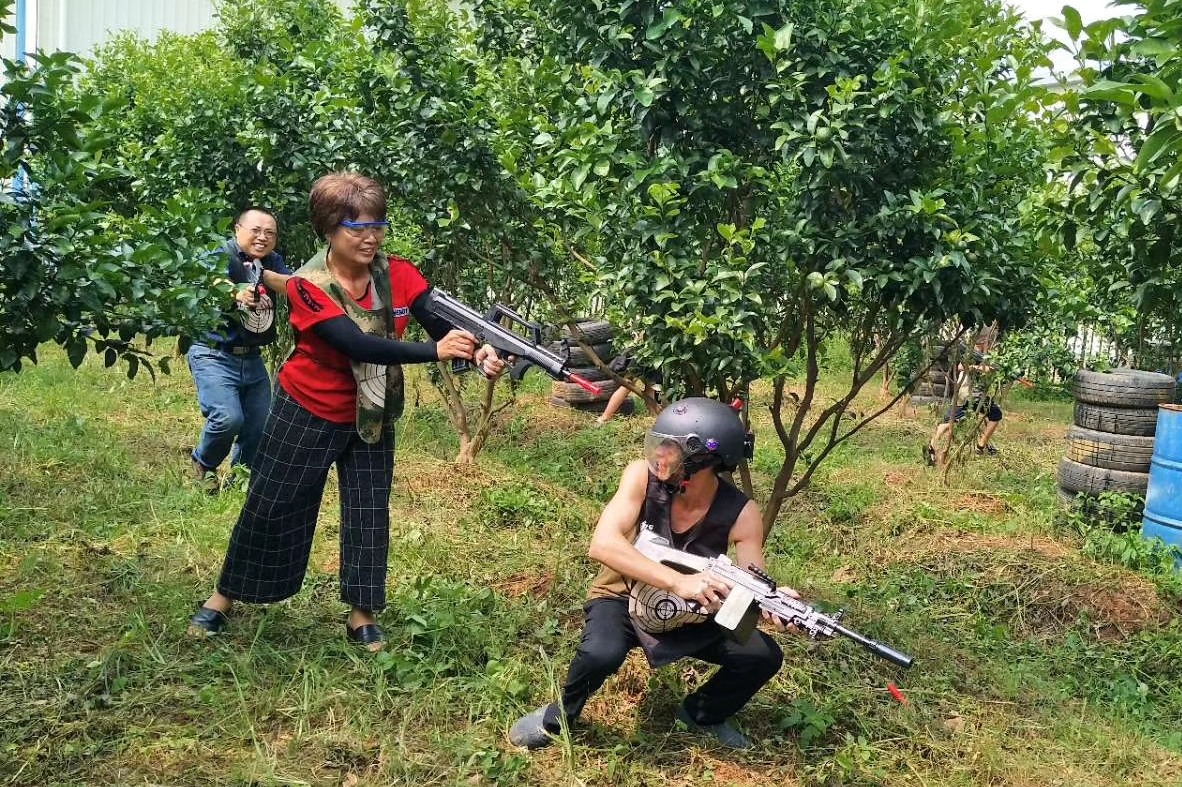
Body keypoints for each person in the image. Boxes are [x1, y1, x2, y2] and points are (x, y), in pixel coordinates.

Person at [187, 173, 505, 650]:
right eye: (357, 227)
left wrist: (477, 350)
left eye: (377, 225)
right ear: (329, 229)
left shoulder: (396, 272)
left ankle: (362, 614)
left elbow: (435, 316)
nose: (370, 236)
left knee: (368, 511)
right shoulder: (307, 285)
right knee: (272, 502)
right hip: (308, 406)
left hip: (372, 411)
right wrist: (435, 352)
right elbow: (354, 342)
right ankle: (223, 596)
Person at [509, 397, 788, 751]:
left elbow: (752, 578)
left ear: (706, 460)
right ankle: (559, 715)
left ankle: (702, 714)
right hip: (622, 595)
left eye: (672, 450)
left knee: (761, 656)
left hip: (689, 614)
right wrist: (677, 581)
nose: (660, 456)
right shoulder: (641, 475)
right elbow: (603, 544)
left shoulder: (743, 513)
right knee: (600, 654)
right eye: (660, 445)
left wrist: (772, 603)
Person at [186, 208, 290, 491]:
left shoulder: (272, 261)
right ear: (237, 229)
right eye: (255, 230)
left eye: (269, 233)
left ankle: (240, 481)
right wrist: (237, 292)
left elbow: (290, 285)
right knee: (228, 418)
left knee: (258, 425)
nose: (262, 237)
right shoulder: (221, 254)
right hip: (213, 352)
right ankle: (203, 463)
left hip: (252, 357)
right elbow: (213, 278)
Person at [925, 343, 1002, 466]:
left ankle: (932, 446)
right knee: (996, 414)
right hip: (970, 394)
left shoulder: (984, 356)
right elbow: (962, 366)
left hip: (961, 394)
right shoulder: (972, 354)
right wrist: (983, 368)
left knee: (947, 423)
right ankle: (981, 446)